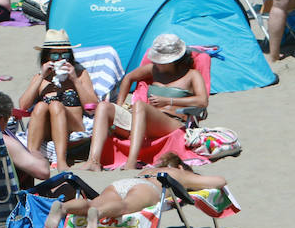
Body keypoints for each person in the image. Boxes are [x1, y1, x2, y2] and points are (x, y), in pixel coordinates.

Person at [83, 34, 208, 172]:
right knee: (103, 107)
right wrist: (119, 104)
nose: (157, 63)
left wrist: (169, 100)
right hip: (142, 120)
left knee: (140, 105)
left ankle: (131, 162)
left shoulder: (191, 75)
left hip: (172, 121)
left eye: (162, 61)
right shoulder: (153, 70)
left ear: (175, 60)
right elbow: (129, 78)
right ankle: (93, 161)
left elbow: (202, 101)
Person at [43, 153, 226, 228]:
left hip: (122, 182)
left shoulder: (148, 170)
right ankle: (97, 214)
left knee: (92, 201)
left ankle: (64, 208)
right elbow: (219, 181)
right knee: (123, 206)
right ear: (179, 166)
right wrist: (192, 180)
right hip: (146, 188)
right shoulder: (177, 173)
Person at [14, 30, 100, 172]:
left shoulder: (79, 73)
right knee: (41, 106)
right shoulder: (41, 78)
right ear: (47, 56)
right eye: (55, 55)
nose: (60, 59)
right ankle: (32, 156)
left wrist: (74, 80)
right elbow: (23, 106)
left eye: (65, 55)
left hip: (74, 124)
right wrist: (42, 76)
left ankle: (60, 160)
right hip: (46, 129)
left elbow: (92, 105)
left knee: (55, 105)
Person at [0, 91, 51, 184]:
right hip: (2, 197)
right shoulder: (3, 141)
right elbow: (43, 172)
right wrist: (35, 152)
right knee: (68, 184)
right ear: (2, 119)